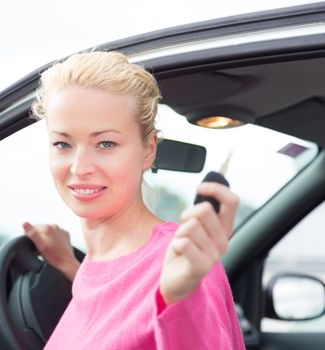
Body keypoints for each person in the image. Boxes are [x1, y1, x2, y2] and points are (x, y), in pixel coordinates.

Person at [23, 51, 245, 349]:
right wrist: (67, 264)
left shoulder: (183, 264)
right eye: (62, 144)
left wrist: (181, 299)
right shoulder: (94, 264)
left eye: (105, 143)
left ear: (148, 149)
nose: (79, 167)